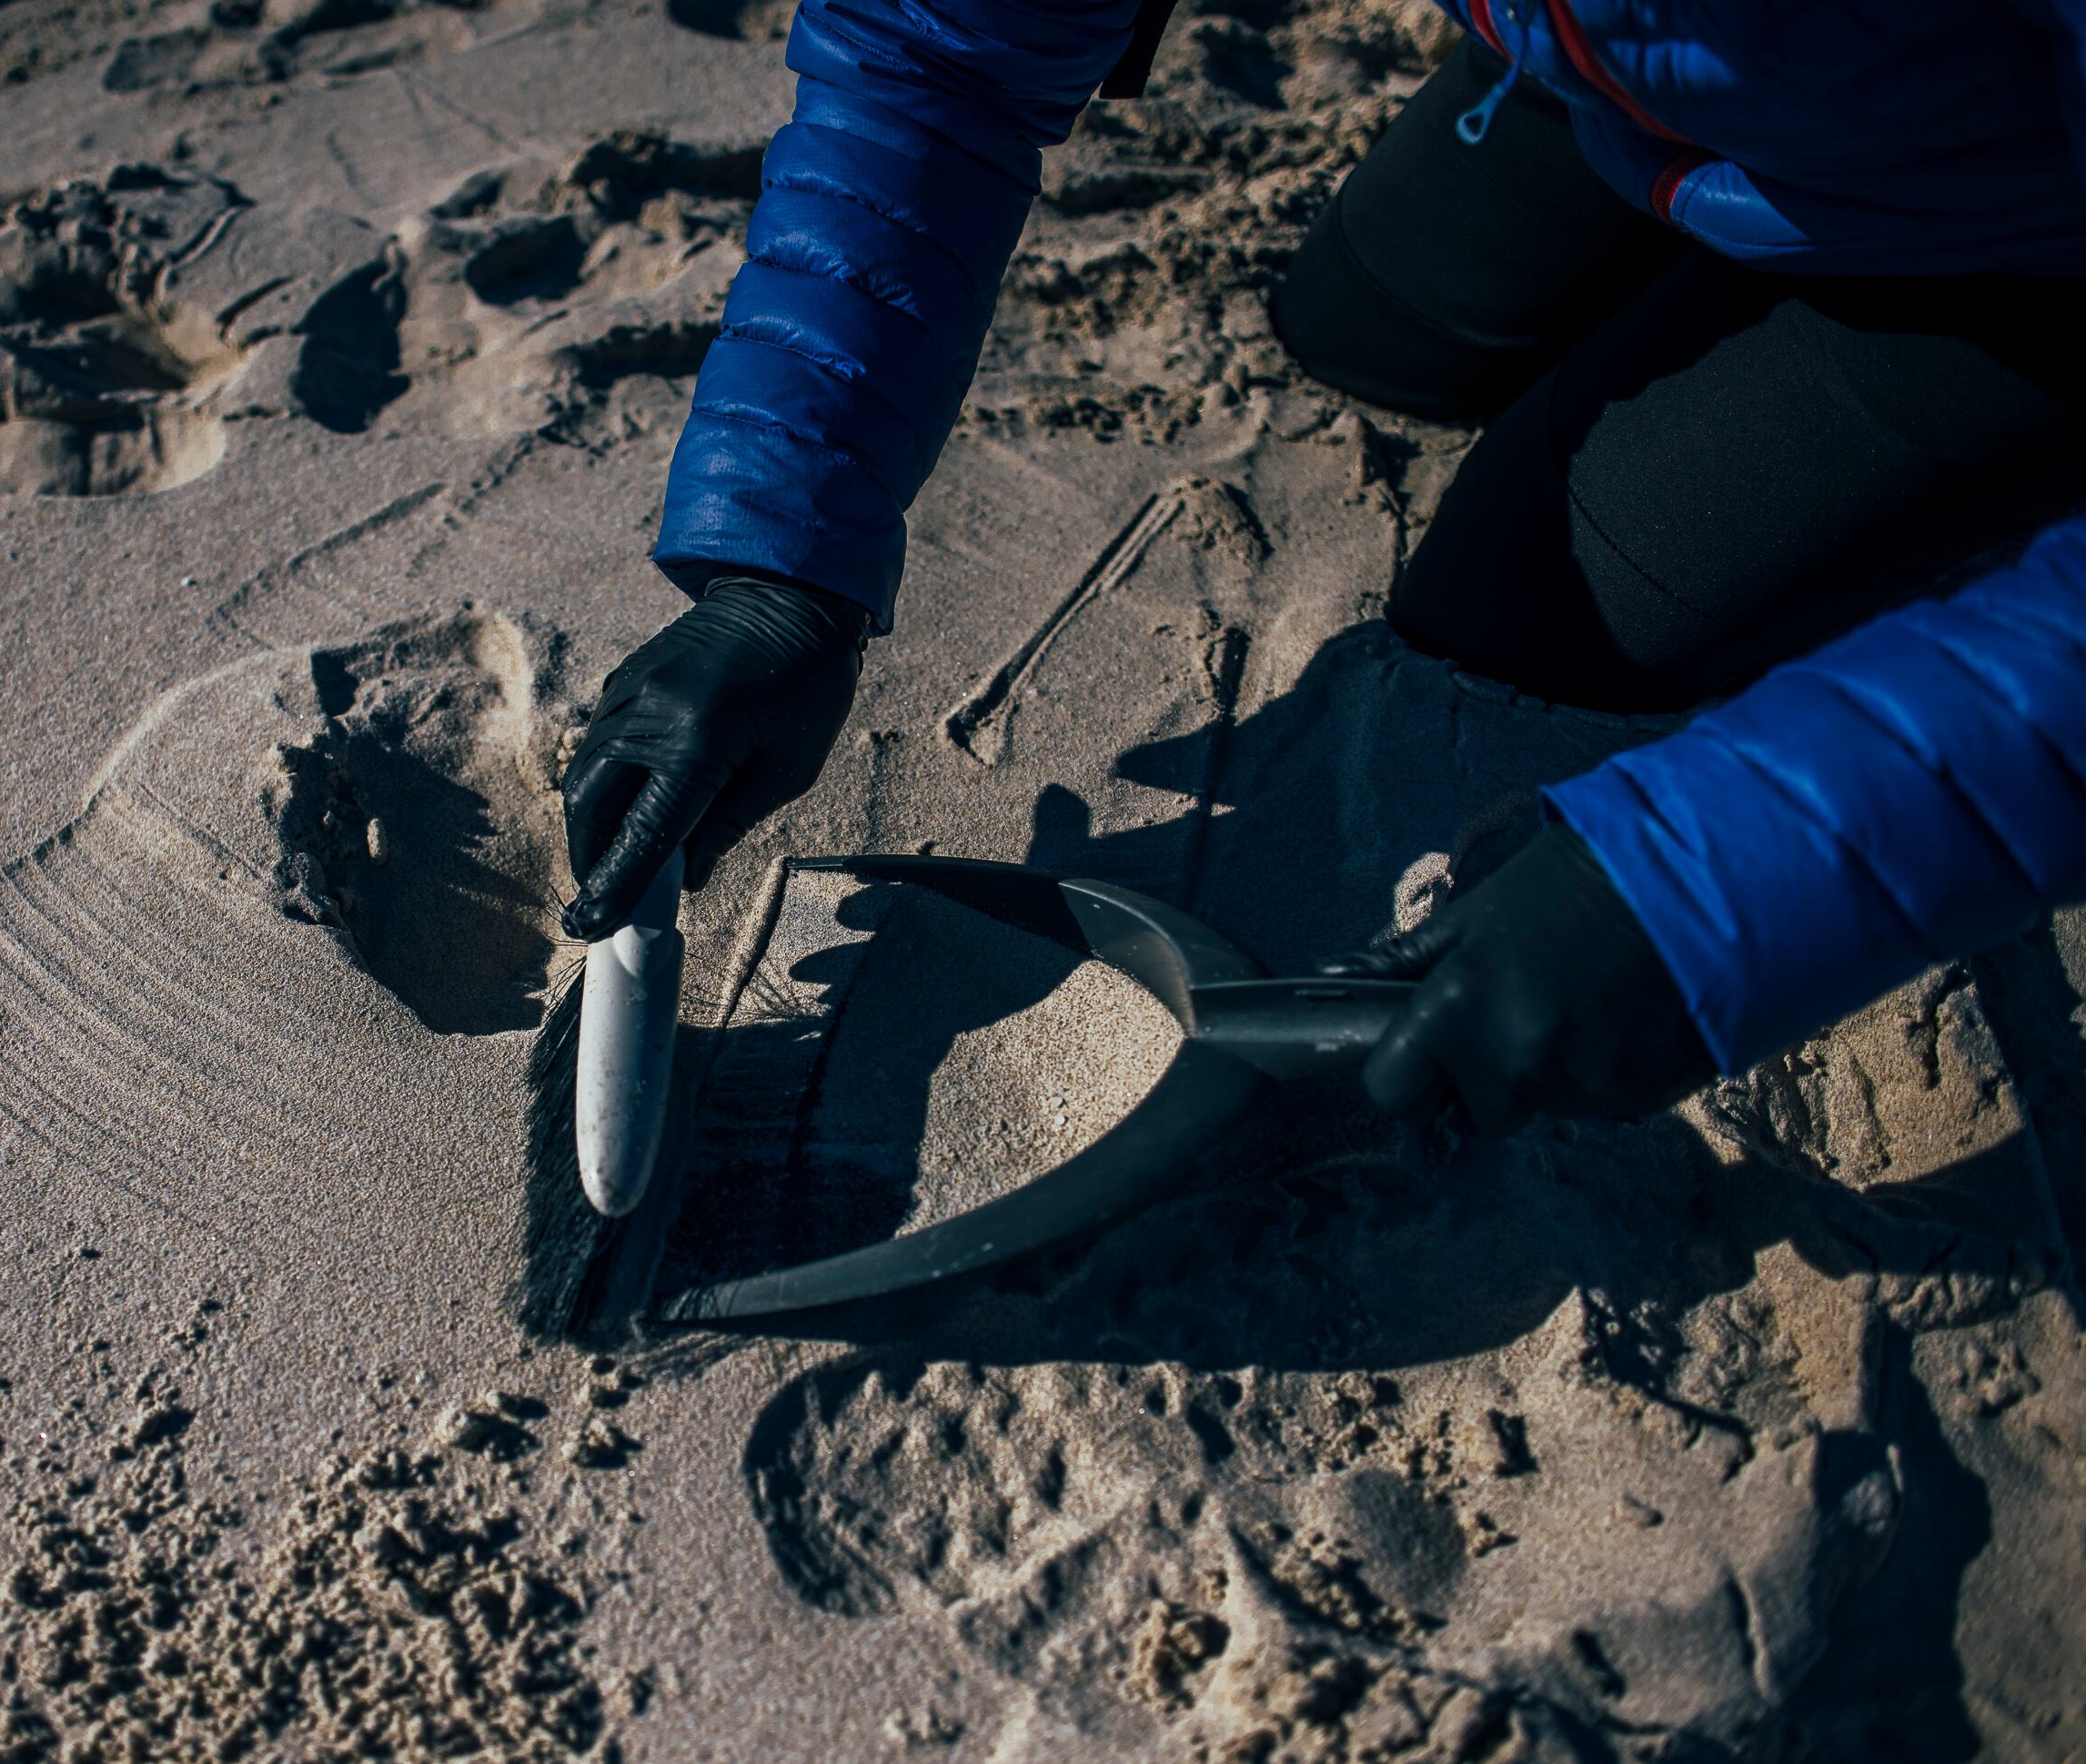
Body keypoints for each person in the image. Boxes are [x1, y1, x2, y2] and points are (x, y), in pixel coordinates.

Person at [556, 0, 2086, 1134]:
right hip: (1665, 61)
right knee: (1358, 330)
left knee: (1513, 618)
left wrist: (1714, 882)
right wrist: (780, 557)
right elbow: (938, 51)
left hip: (2015, 232)